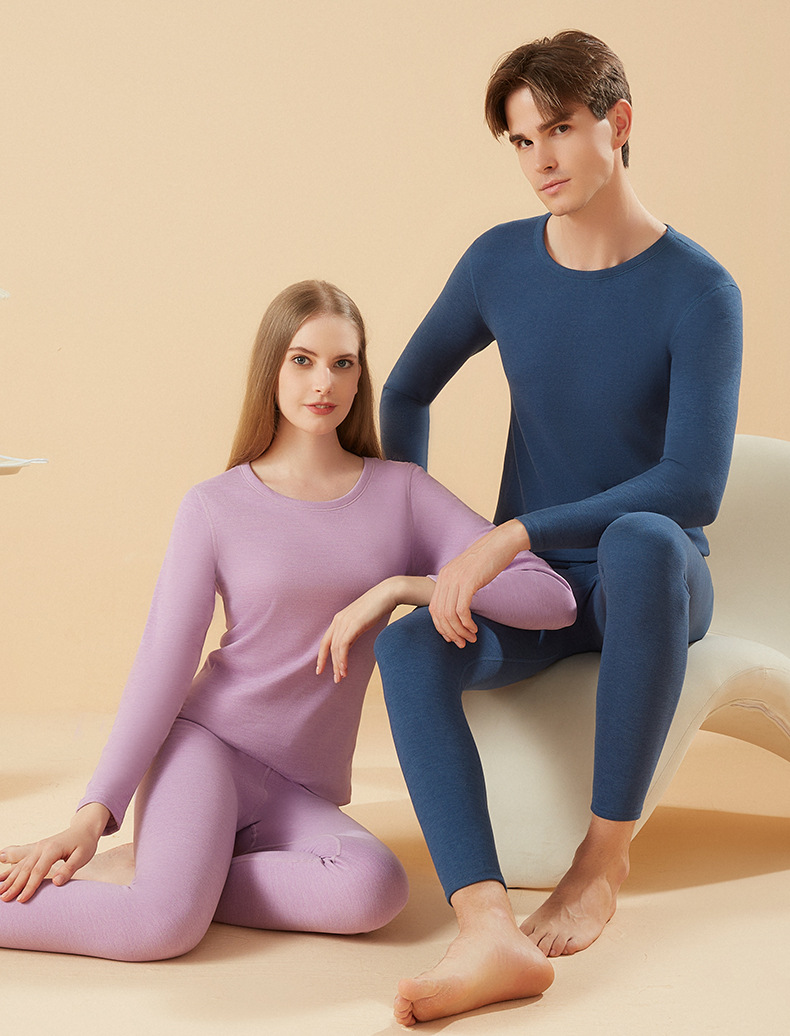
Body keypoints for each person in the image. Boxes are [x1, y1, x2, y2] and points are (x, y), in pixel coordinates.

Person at [0, 280, 576, 962]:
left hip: (299, 792)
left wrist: (407, 587)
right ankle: (171, 886)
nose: (323, 382)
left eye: (342, 363)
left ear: (360, 376)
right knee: (160, 928)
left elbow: (552, 598)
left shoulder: (402, 494)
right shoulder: (214, 505)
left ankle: (180, 874)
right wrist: (93, 815)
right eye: (302, 360)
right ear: (271, 369)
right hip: (205, 753)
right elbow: (163, 665)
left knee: (374, 889)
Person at [376, 29, 742, 1025]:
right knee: (407, 648)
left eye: (560, 129)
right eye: (520, 139)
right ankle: (485, 925)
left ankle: (600, 860)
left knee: (641, 537)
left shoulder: (700, 292)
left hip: (651, 582)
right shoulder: (498, 262)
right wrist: (434, 546)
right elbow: (404, 391)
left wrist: (513, 532)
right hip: (539, 594)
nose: (539, 158)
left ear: (617, 124)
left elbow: (691, 486)